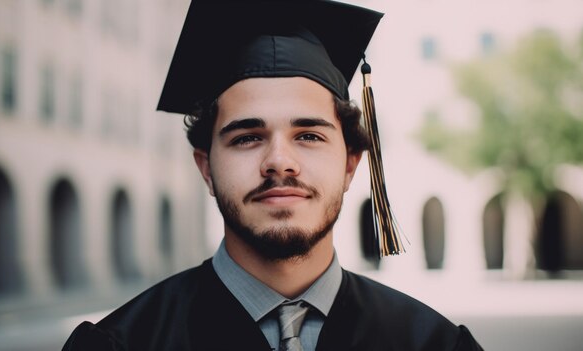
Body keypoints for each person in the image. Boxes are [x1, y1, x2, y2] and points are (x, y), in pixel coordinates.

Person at [63, 0, 484, 350]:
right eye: (247, 137)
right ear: (206, 168)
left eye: (308, 135)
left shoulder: (434, 345)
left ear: (351, 165)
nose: (280, 161)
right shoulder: (122, 345)